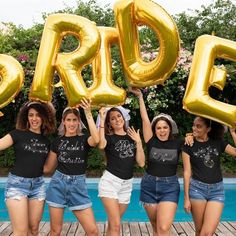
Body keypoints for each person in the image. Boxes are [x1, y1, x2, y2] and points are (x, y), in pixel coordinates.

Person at [130, 87, 182, 236]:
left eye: (165, 127)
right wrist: (140, 97)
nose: (162, 130)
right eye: (158, 128)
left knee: (164, 227)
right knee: (155, 226)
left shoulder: (179, 143)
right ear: (154, 130)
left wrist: (191, 136)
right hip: (149, 185)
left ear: (170, 128)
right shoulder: (150, 141)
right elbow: (145, 119)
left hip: (170, 187)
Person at [43, 98, 99, 236]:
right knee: (55, 231)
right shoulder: (57, 142)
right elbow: (48, 168)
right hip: (57, 184)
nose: (72, 123)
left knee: (93, 231)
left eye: (75, 120)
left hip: (77, 186)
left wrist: (88, 112)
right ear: (63, 121)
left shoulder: (84, 139)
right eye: (69, 120)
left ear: (79, 122)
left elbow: (96, 139)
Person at [0, 101, 56, 235]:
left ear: (43, 118)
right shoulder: (17, 134)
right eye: (31, 115)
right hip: (17, 186)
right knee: (21, 231)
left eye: (38, 115)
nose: (34, 119)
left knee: (34, 229)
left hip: (38, 186)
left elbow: (46, 169)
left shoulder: (46, 141)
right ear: (26, 117)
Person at [182, 116, 236, 236]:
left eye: (199, 126)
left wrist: (232, 132)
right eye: (193, 125)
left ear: (208, 129)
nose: (194, 128)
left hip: (217, 191)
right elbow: (187, 172)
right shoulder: (188, 145)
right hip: (197, 190)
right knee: (200, 231)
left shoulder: (218, 142)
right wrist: (186, 198)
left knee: (207, 233)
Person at [97, 106, 145, 236]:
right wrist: (101, 119)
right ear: (109, 124)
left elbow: (141, 163)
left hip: (126, 185)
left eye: (119, 116)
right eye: (113, 118)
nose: (117, 119)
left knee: (113, 224)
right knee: (116, 225)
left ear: (123, 118)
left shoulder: (132, 138)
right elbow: (101, 144)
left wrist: (139, 142)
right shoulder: (109, 137)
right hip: (110, 182)